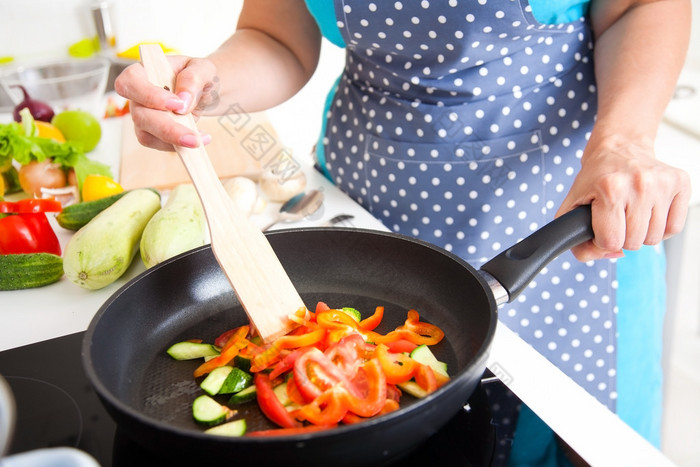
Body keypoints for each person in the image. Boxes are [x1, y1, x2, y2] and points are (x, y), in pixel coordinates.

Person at [116, 0, 692, 463]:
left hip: (551, 214)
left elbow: (641, 5)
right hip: (366, 208)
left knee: (571, 436)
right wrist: (206, 88)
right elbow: (278, 36)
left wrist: (624, 143)